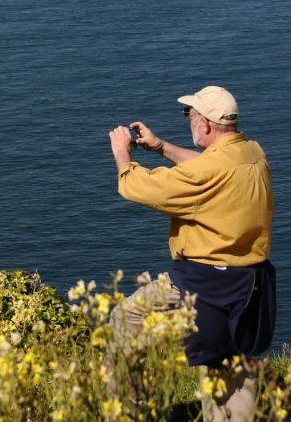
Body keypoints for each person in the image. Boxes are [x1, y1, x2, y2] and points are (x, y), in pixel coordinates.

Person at [108, 85, 276, 421]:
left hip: (203, 283)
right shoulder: (252, 152)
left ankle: (126, 412)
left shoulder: (208, 172)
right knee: (230, 363)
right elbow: (209, 165)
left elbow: (142, 188)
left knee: (124, 320)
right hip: (252, 284)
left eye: (191, 115)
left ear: (209, 126)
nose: (189, 121)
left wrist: (123, 156)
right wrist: (161, 147)